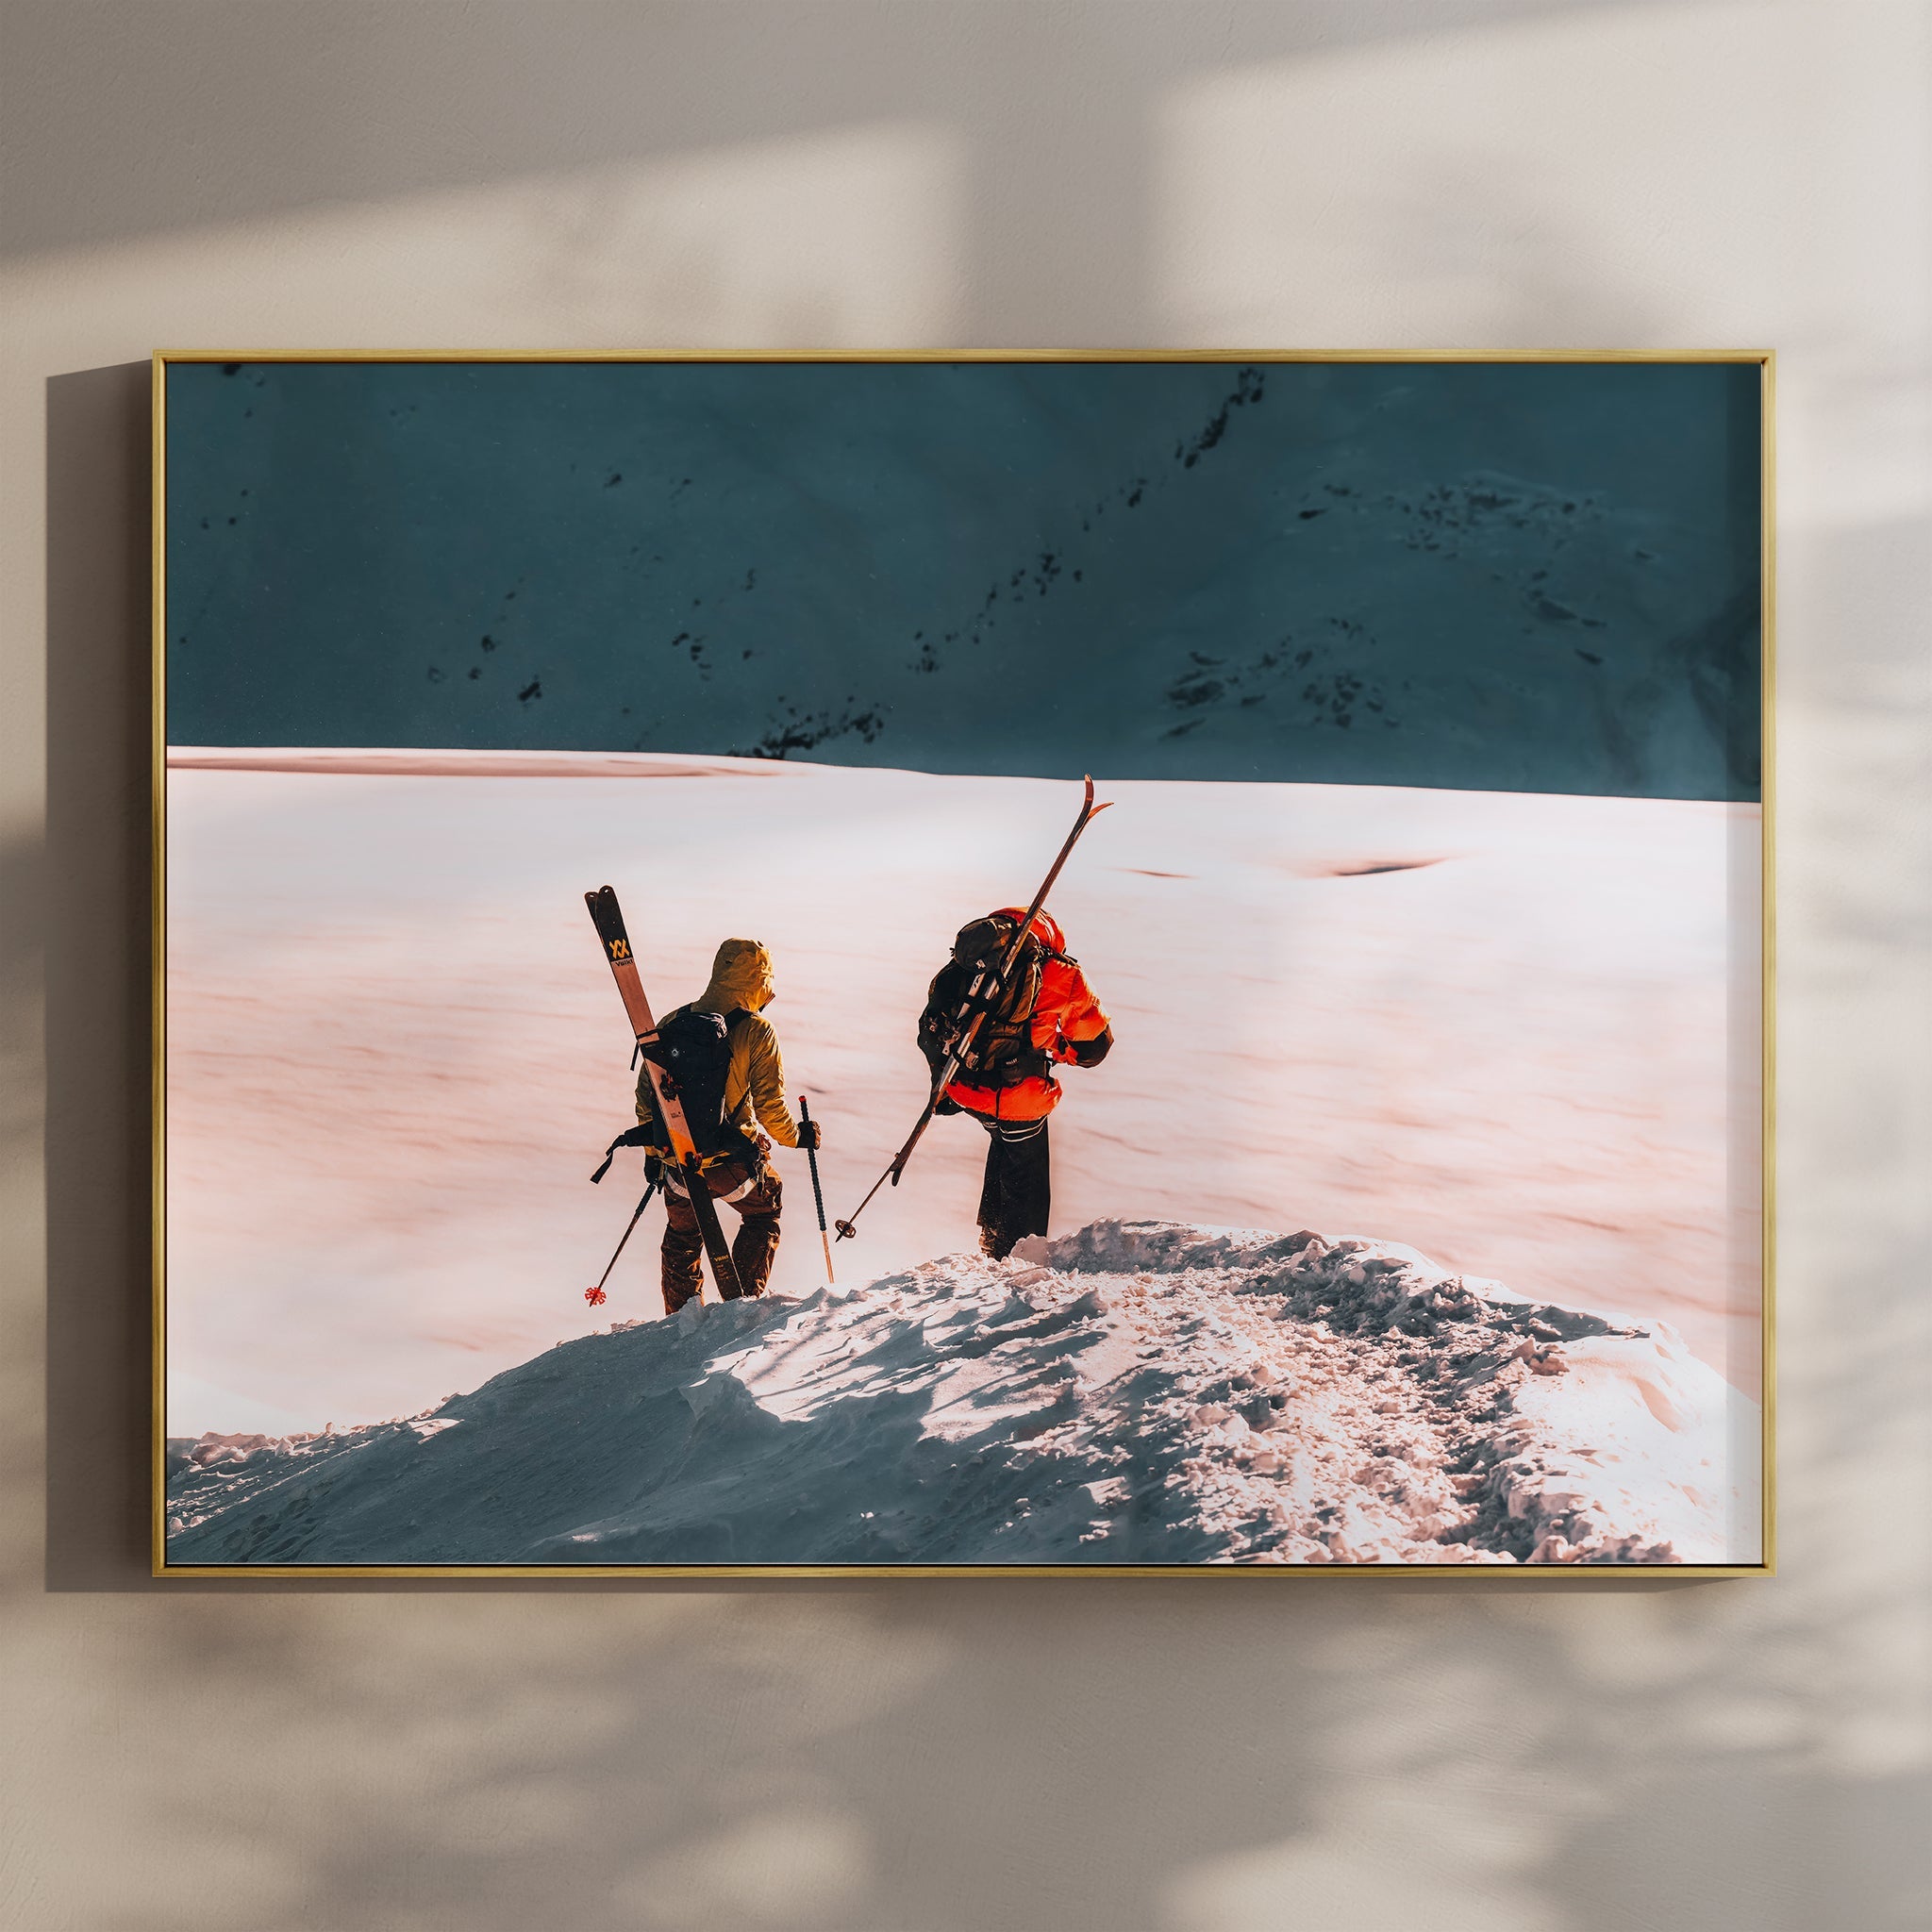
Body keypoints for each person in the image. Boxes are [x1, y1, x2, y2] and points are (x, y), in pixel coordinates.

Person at [917, 908, 1112, 1259]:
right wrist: (1055, 1047)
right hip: (1018, 1096)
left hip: (966, 1088)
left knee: (1003, 1140)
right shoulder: (1061, 973)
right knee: (1027, 1168)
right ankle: (1016, 1256)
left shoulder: (969, 965)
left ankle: (991, 1234)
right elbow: (1094, 1047)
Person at [641, 937, 820, 1313]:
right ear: (760, 980)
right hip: (731, 1165)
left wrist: (653, 1154)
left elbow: (646, 1095)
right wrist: (798, 1138)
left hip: (678, 1164)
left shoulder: (672, 1022)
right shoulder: (756, 1030)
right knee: (764, 1210)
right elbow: (770, 1107)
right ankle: (740, 1306)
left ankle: (680, 1317)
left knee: (683, 1234)